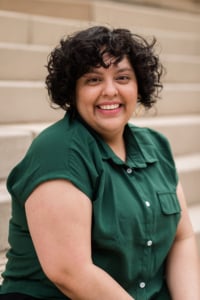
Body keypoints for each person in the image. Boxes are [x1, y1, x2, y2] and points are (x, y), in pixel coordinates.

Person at [0, 25, 199, 300]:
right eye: (93, 80)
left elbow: (182, 238)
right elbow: (70, 272)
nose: (110, 91)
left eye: (123, 77)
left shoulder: (155, 145)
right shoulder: (59, 151)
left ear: (139, 85)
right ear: (73, 91)